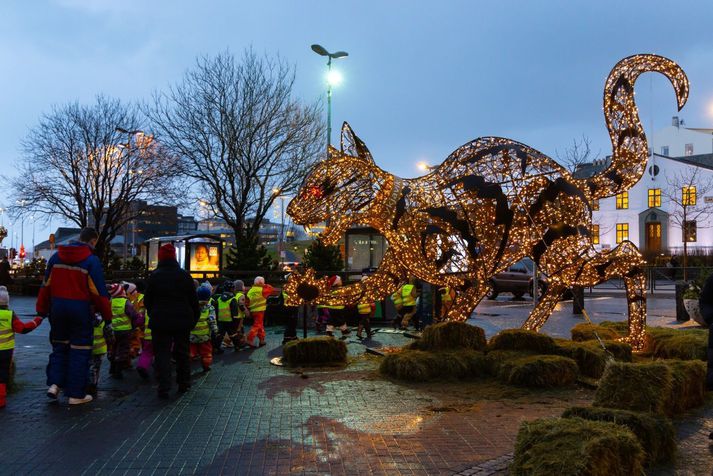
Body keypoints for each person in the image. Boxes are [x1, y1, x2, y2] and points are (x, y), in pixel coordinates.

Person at [39, 227, 112, 405]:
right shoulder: (91, 261)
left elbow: (45, 286)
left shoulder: (56, 258)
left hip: (57, 308)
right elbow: (99, 293)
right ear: (93, 241)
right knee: (80, 351)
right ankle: (76, 394)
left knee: (59, 347)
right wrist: (107, 316)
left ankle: (54, 385)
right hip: (80, 310)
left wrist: (42, 309)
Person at [144, 243, 200, 399]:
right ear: (175, 257)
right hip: (182, 320)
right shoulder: (184, 276)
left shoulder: (154, 276)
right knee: (182, 353)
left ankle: (164, 387)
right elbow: (193, 301)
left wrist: (154, 313)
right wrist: (193, 320)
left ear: (160, 257)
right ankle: (184, 383)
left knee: (162, 354)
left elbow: (148, 301)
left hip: (160, 321)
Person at [0, 286, 43, 408]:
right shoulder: (10, 315)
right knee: (2, 375)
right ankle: (1, 401)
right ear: (7, 302)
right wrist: (37, 321)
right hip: (5, 351)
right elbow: (23, 329)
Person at [107, 283, 143, 379]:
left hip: (114, 329)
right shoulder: (125, 302)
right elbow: (133, 314)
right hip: (125, 331)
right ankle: (118, 371)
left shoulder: (111, 301)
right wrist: (139, 319)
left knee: (114, 348)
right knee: (123, 350)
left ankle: (112, 368)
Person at [190, 286, 217, 372]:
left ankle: (187, 363)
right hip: (205, 335)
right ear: (209, 297)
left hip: (192, 335)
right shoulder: (210, 308)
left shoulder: (191, 306)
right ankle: (206, 364)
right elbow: (212, 320)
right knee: (206, 352)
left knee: (191, 350)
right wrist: (215, 330)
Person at [211, 280, 240, 353]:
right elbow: (235, 312)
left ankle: (216, 348)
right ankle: (237, 346)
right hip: (230, 321)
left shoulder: (219, 298)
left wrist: (216, 319)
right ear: (232, 289)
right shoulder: (233, 299)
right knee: (233, 334)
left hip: (220, 320)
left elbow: (216, 309)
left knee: (220, 334)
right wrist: (236, 321)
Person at [246, 276, 274, 348]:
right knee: (257, 325)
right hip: (260, 311)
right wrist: (264, 285)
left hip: (253, 310)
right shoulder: (262, 290)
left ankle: (261, 340)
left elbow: (247, 302)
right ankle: (249, 339)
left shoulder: (251, 290)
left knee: (260, 325)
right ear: (262, 283)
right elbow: (271, 289)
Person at [87, 313, 111, 396]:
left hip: (87, 347)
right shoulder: (103, 321)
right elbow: (109, 334)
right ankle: (93, 383)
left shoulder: (86, 319)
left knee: (88, 364)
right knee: (96, 367)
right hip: (100, 348)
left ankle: (89, 382)